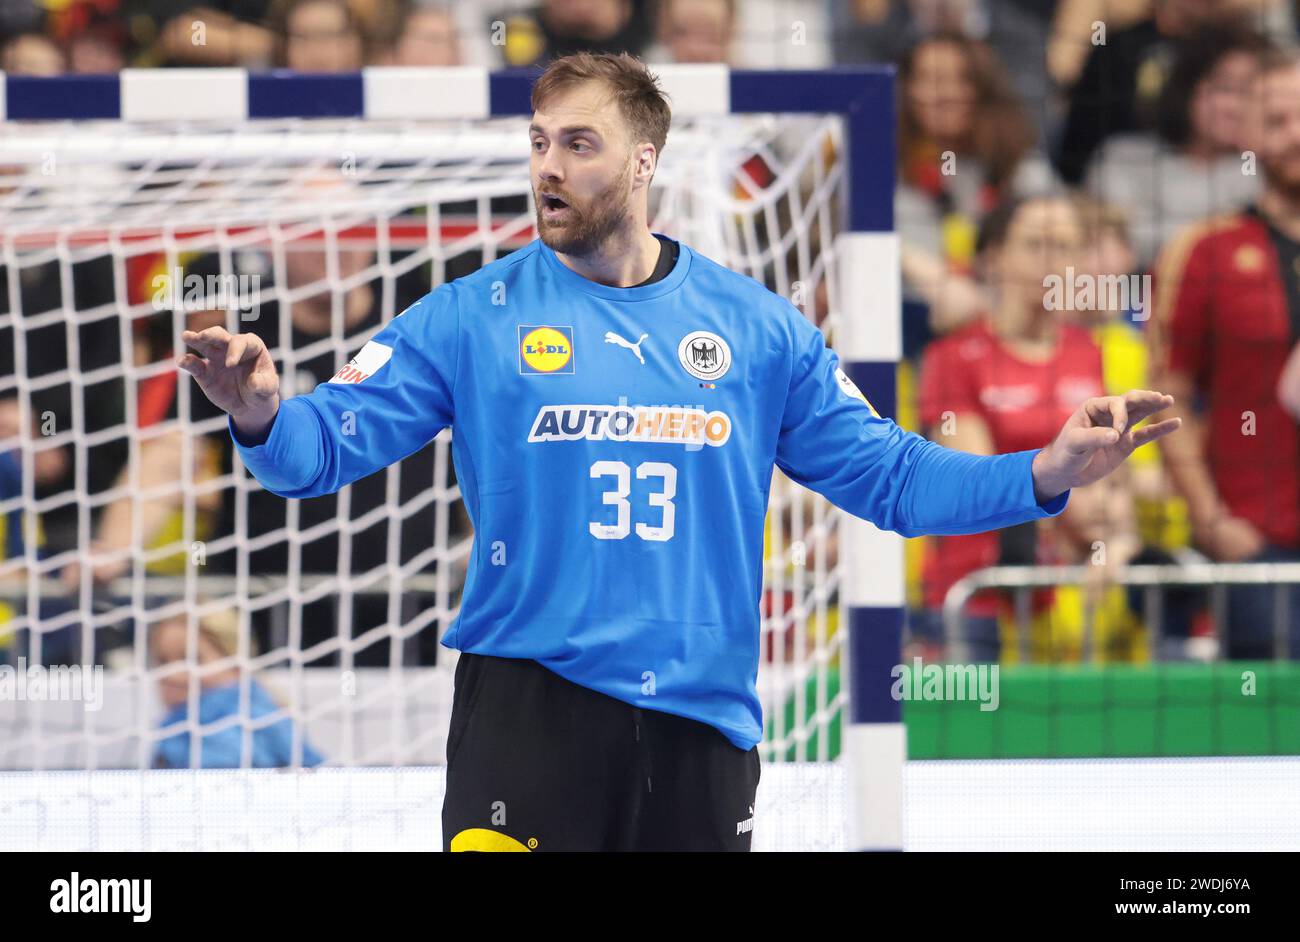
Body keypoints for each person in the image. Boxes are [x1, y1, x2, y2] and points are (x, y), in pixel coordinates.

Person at [178, 52, 1180, 852]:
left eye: (579, 143)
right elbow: (321, 451)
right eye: (538, 143)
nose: (548, 168)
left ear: (646, 160)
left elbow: (895, 478)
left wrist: (1042, 474)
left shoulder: (757, 327)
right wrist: (262, 413)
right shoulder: (470, 315)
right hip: (528, 707)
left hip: (703, 719)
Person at [1148, 46, 1300, 659]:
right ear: (1246, 135)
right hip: (1260, 549)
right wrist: (1211, 521)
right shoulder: (1204, 250)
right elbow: (1168, 397)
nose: (1296, 136)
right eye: (1278, 121)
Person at [916, 195, 1108, 662]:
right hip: (975, 595)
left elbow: (1108, 481)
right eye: (1035, 244)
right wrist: (1078, 490)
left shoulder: (1088, 352)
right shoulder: (953, 357)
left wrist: (1110, 533)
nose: (1051, 260)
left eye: (1065, 246)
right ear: (995, 257)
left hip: (1065, 592)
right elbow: (980, 477)